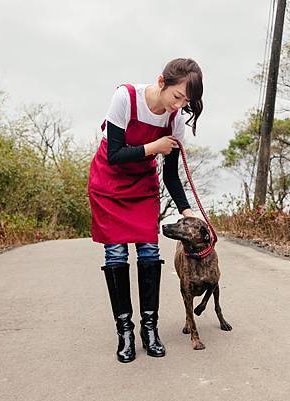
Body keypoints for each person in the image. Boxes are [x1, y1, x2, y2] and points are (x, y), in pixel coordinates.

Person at [87, 58, 203, 363]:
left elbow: (170, 175)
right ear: (161, 82)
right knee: (116, 255)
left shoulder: (174, 120)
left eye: (186, 102)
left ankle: (149, 329)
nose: (179, 106)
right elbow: (114, 155)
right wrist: (154, 147)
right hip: (109, 184)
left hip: (142, 187)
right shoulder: (126, 97)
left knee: (150, 253)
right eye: (177, 97)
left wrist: (186, 209)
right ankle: (124, 331)